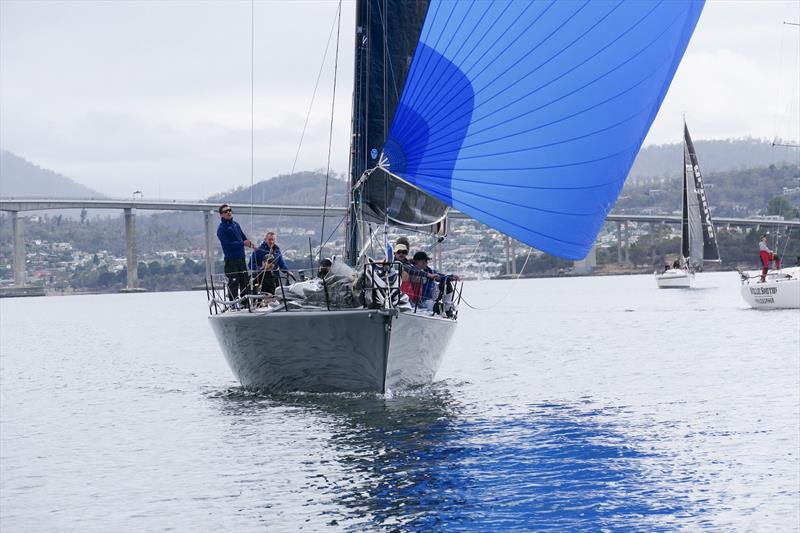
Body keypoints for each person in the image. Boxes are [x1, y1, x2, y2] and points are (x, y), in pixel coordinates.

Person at [216, 204, 253, 305]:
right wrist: (242, 243)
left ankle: (245, 303)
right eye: (225, 211)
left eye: (229, 210)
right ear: (221, 215)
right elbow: (227, 245)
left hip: (241, 258)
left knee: (245, 281)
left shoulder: (236, 224)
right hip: (231, 260)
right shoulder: (221, 229)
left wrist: (250, 244)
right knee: (234, 282)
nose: (228, 212)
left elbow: (243, 237)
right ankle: (233, 304)